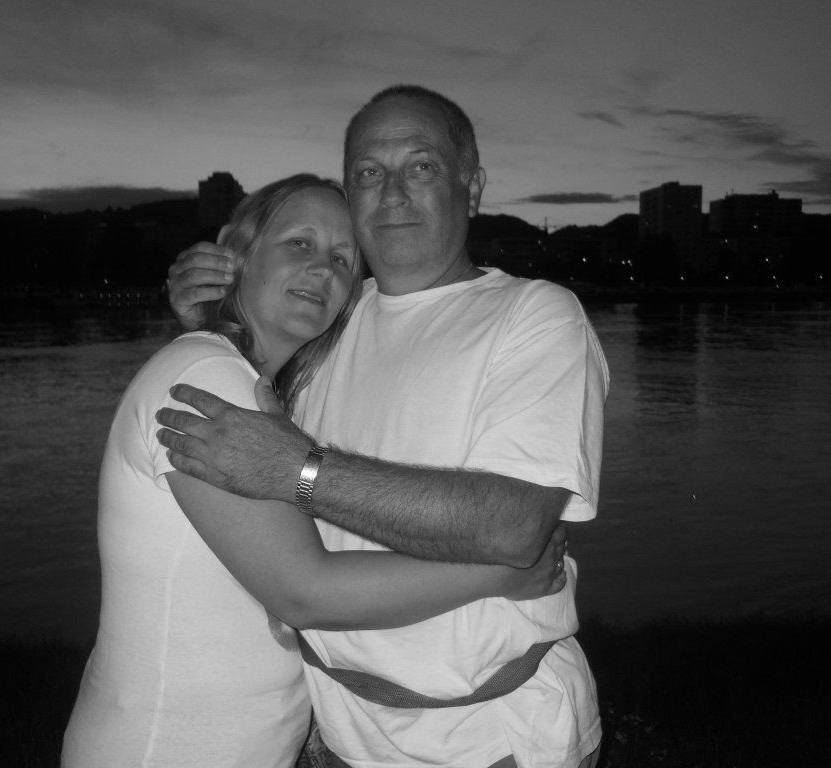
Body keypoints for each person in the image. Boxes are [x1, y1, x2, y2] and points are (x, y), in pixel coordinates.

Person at [160, 86, 610, 768]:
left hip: (491, 740)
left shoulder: (536, 316)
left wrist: (298, 470)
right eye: (369, 172)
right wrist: (213, 318)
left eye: (421, 167)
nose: (392, 193)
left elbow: (515, 527)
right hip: (333, 734)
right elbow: (241, 422)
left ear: (471, 187)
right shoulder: (327, 317)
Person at [61, 173, 570, 768]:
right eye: (299, 243)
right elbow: (304, 591)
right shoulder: (206, 378)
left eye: (342, 259)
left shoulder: (264, 394)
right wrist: (500, 574)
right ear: (235, 252)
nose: (322, 269)